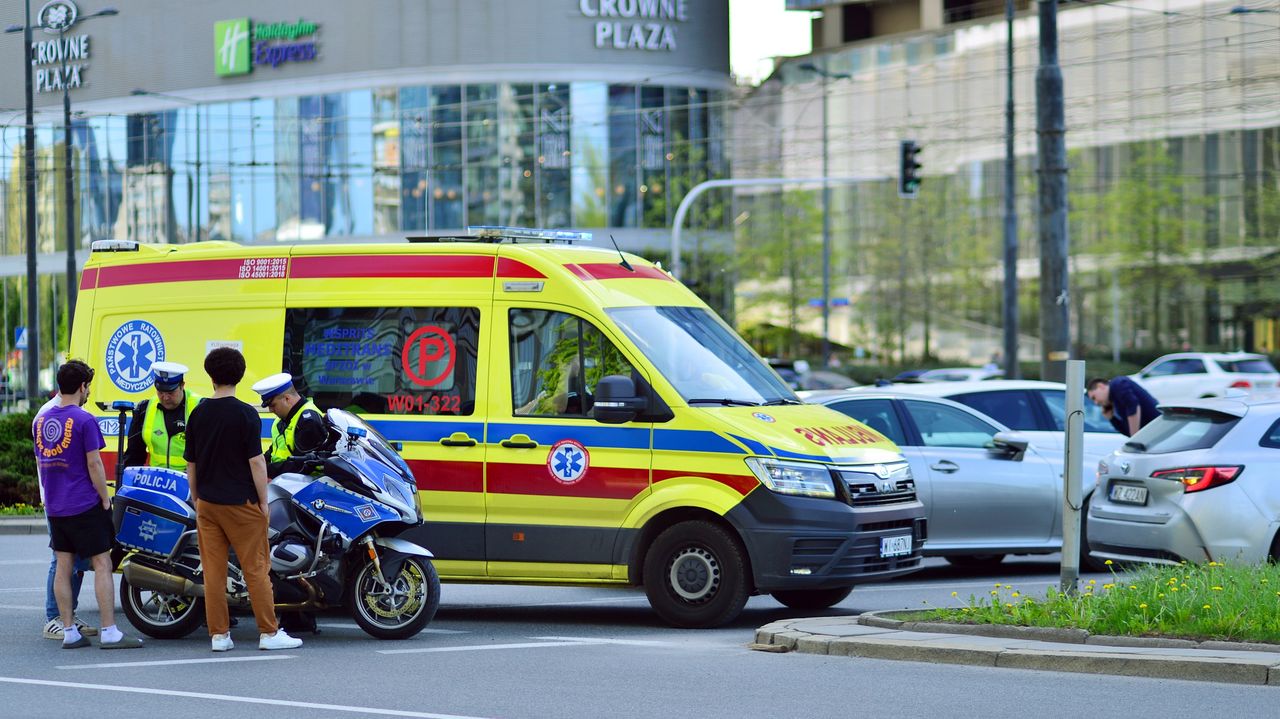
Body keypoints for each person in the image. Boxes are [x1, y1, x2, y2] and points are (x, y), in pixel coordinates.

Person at [184, 348, 302, 653]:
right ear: (239, 376)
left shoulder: (198, 413)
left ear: (211, 376)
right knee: (256, 569)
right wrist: (263, 502)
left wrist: (197, 498)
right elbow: (256, 463)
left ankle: (219, 636)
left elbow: (191, 463)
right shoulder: (246, 414)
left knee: (213, 573)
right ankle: (269, 632)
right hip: (241, 502)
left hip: (207, 503)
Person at [35, 360, 143, 649]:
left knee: (63, 565)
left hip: (55, 506)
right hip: (83, 504)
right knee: (102, 562)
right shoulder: (84, 420)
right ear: (82, 387)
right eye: (88, 387)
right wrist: (105, 499)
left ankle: (68, 630)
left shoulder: (42, 421)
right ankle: (109, 631)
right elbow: (94, 464)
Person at [35, 392, 94, 641]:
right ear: (81, 386)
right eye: (88, 387)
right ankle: (54, 618)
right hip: (59, 499)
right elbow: (48, 462)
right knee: (61, 560)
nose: (89, 392)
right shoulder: (47, 414)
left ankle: (68, 614)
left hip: (70, 499)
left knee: (78, 560)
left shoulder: (73, 413)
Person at [121, 361, 203, 470]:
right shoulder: (144, 409)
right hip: (157, 478)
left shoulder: (200, 407)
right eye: (160, 392)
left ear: (182, 386)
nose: (165, 397)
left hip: (190, 478)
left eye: (170, 392)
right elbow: (134, 455)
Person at [251, 373, 327, 478]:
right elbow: (273, 452)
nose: (270, 410)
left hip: (304, 484)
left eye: (273, 405)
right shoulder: (282, 419)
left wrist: (265, 470)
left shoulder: (308, 420)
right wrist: (257, 465)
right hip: (285, 481)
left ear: (287, 399)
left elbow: (301, 464)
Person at [1087, 376, 1161, 437]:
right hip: (1155, 433)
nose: (1096, 403)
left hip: (1160, 429)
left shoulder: (1117, 384)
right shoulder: (1116, 400)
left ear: (1100, 386)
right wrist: (1112, 419)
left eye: (1094, 397)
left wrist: (1134, 440)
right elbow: (1128, 432)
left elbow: (1132, 405)